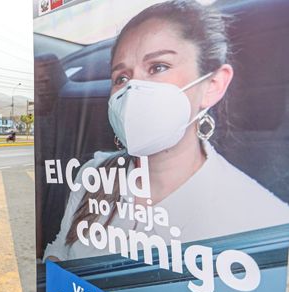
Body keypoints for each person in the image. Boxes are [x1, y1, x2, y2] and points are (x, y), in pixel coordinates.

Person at [44, 0, 289, 261]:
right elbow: (60, 248)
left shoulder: (264, 219)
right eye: (122, 78)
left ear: (213, 85)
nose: (133, 89)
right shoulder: (95, 172)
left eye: (158, 67)